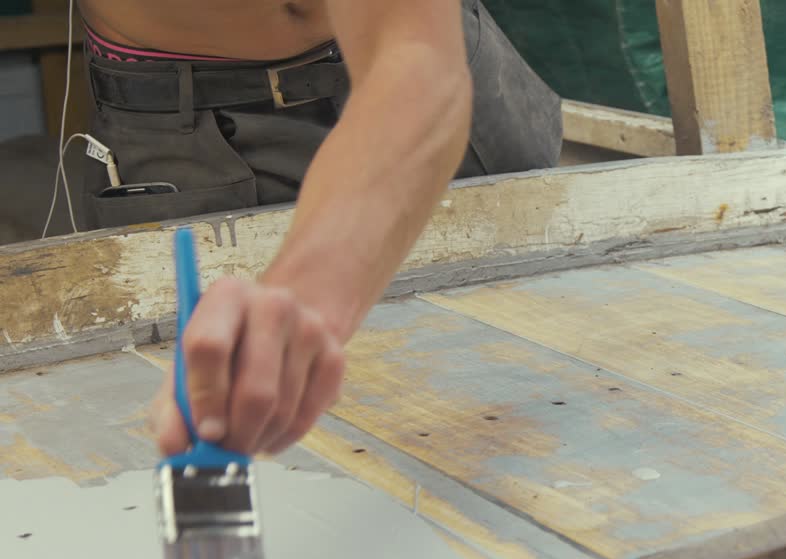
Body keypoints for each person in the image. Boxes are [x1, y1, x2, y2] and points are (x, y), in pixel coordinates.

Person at [42, 0, 562, 460]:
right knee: (219, 416)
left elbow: (414, 58)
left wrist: (313, 286)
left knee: (522, 395)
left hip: (430, 70)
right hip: (190, 119)